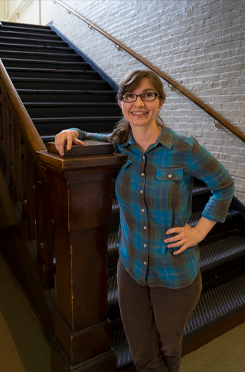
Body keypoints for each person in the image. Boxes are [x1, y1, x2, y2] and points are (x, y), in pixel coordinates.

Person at [54, 70, 234, 372]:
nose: (139, 102)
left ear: (160, 102)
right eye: (130, 95)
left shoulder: (184, 148)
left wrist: (199, 231)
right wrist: (71, 130)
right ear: (122, 103)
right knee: (142, 354)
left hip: (175, 275)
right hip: (132, 270)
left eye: (148, 94)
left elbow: (224, 186)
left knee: (167, 351)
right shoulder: (118, 144)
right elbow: (84, 135)